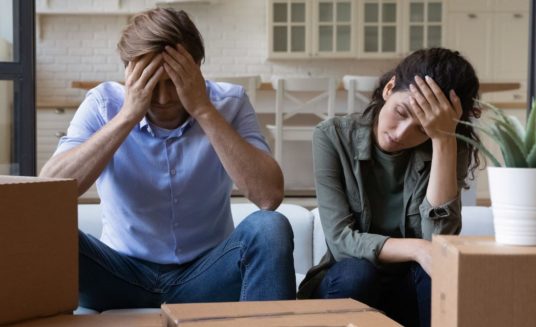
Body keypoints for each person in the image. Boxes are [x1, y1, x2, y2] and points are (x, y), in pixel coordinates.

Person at [40, 7, 296, 311]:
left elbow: (270, 197)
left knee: (270, 228)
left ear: (196, 68)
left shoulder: (230, 102)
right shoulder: (103, 104)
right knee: (44, 232)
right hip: (119, 275)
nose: (162, 99)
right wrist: (128, 115)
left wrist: (203, 109)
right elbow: (50, 189)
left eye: (174, 81)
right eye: (150, 83)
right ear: (129, 73)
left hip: (205, 276)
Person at [297, 48, 481, 327]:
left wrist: (443, 142)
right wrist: (416, 249)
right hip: (348, 285)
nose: (400, 133)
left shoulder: (447, 148)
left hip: (410, 291)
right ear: (389, 88)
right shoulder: (332, 136)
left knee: (438, 272)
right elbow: (341, 240)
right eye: (401, 112)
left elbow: (440, 243)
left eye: (422, 129)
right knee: (357, 274)